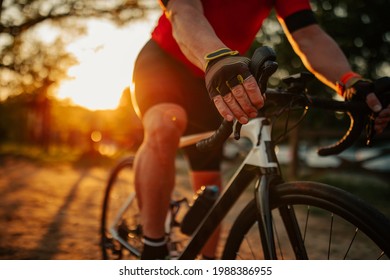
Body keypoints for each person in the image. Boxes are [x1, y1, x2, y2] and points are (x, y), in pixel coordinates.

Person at [131, 0, 390, 260]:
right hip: (166, 64)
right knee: (165, 124)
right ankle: (153, 250)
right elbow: (183, 12)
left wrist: (348, 80)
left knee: (209, 182)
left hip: (217, 76)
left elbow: (309, 35)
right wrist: (217, 56)